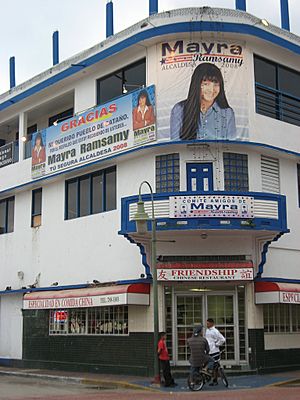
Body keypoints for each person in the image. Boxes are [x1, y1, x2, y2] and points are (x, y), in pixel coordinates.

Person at [170, 62, 236, 140]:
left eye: (216, 84)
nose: (211, 90)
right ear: (196, 84)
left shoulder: (227, 113)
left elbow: (231, 146)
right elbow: (175, 145)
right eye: (206, 84)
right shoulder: (179, 109)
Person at [205, 318, 226, 386]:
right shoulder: (207, 330)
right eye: (207, 323)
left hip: (214, 351)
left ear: (212, 323)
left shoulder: (215, 331)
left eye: (208, 323)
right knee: (207, 365)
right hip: (208, 351)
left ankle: (215, 380)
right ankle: (208, 377)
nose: (207, 325)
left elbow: (222, 339)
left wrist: (217, 344)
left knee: (215, 367)